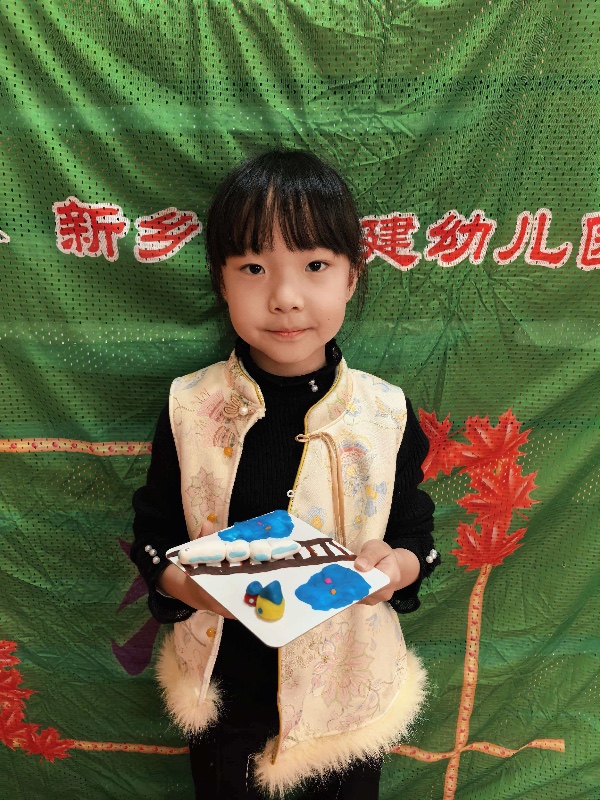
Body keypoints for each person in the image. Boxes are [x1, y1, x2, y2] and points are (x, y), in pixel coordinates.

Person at [131, 149, 440, 799]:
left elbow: (416, 531)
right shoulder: (189, 406)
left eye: (315, 265)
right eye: (253, 268)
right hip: (223, 691)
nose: (285, 298)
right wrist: (190, 588)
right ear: (221, 281)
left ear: (352, 277)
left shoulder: (385, 412)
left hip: (346, 693)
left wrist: (393, 567)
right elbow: (153, 532)